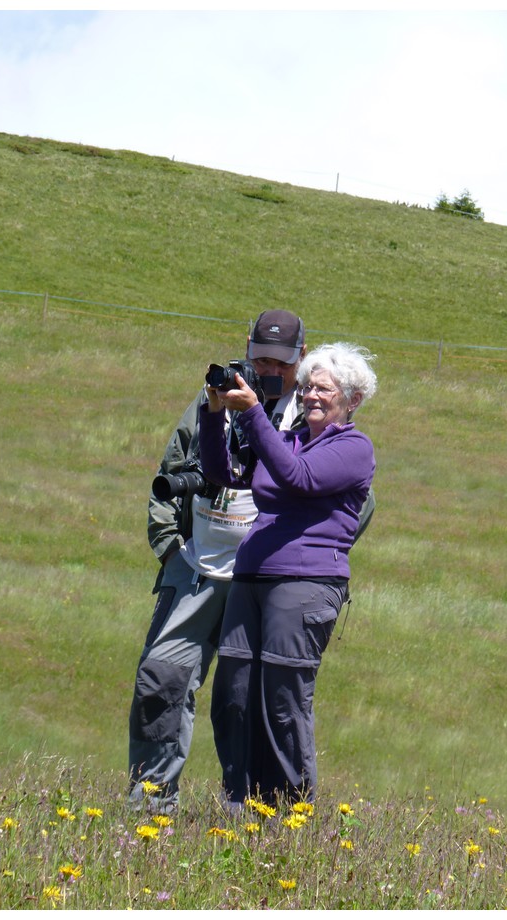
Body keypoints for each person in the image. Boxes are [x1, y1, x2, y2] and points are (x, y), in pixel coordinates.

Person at [128, 309, 308, 813]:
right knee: (159, 683)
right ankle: (149, 809)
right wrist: (170, 551)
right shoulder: (218, 395)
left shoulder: (312, 408)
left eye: (282, 363)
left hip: (266, 576)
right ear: (246, 350)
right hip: (195, 566)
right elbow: (171, 472)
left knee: (245, 702)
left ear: (303, 359)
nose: (270, 372)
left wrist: (304, 559)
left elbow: (352, 499)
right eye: (260, 359)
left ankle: (252, 818)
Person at [198, 342, 377, 807]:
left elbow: (298, 477)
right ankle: (238, 806)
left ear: (352, 399)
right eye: (307, 388)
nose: (311, 397)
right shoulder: (289, 440)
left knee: (283, 700)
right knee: (233, 697)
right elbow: (225, 472)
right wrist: (215, 413)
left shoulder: (354, 448)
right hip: (251, 579)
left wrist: (256, 415)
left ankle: (289, 815)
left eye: (324, 389)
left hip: (305, 584)